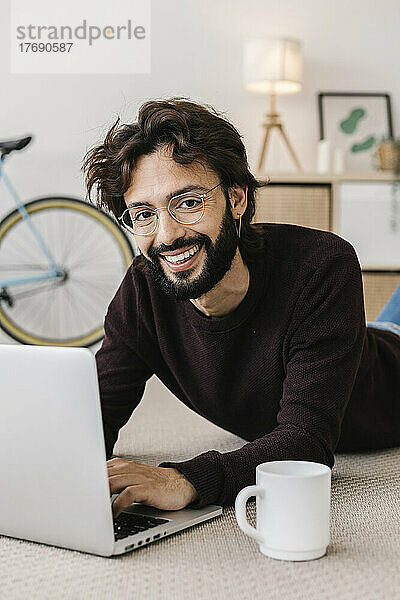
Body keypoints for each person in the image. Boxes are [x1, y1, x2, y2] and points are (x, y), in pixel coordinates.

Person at [82, 98, 400, 519]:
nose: (166, 236)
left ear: (236, 199)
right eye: (143, 213)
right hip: (346, 336)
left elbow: (305, 444)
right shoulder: (142, 294)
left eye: (189, 203)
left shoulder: (321, 264)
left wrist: (186, 479)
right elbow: (90, 422)